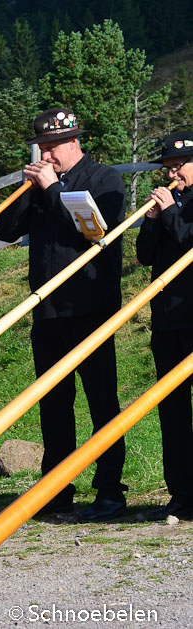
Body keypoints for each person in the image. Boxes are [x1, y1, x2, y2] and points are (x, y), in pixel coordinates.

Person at [0, 108, 127, 522]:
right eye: (41, 148)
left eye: (51, 147)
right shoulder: (39, 184)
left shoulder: (104, 180)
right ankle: (56, 488)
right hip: (48, 309)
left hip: (91, 306)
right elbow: (5, 231)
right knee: (54, 403)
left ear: (73, 142)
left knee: (101, 400)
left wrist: (52, 190)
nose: (45, 155)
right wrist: (27, 191)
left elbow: (93, 232)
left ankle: (109, 489)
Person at [136, 131, 193, 521]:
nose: (173, 173)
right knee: (172, 414)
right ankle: (180, 494)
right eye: (168, 168)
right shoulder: (170, 203)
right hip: (167, 320)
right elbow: (143, 256)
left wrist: (171, 210)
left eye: (179, 166)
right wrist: (153, 220)